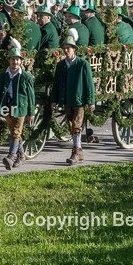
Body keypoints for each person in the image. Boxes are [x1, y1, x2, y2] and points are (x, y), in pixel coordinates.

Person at [51, 28, 95, 165]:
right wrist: (54, 100)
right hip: (66, 99)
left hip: (79, 100)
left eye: (68, 48)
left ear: (74, 49)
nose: (66, 50)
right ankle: (79, 151)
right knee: (71, 126)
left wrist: (91, 101)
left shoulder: (82, 64)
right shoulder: (60, 65)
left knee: (76, 125)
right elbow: (56, 84)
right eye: (64, 48)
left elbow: (89, 84)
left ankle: (75, 152)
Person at [0, 39, 35, 170]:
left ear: (21, 61)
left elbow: (31, 96)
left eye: (17, 60)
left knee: (15, 132)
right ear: (9, 61)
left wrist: (31, 113)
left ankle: (10, 157)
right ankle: (21, 156)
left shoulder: (26, 77)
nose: (15, 62)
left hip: (20, 108)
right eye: (13, 60)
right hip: (6, 106)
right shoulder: (2, 76)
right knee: (14, 132)